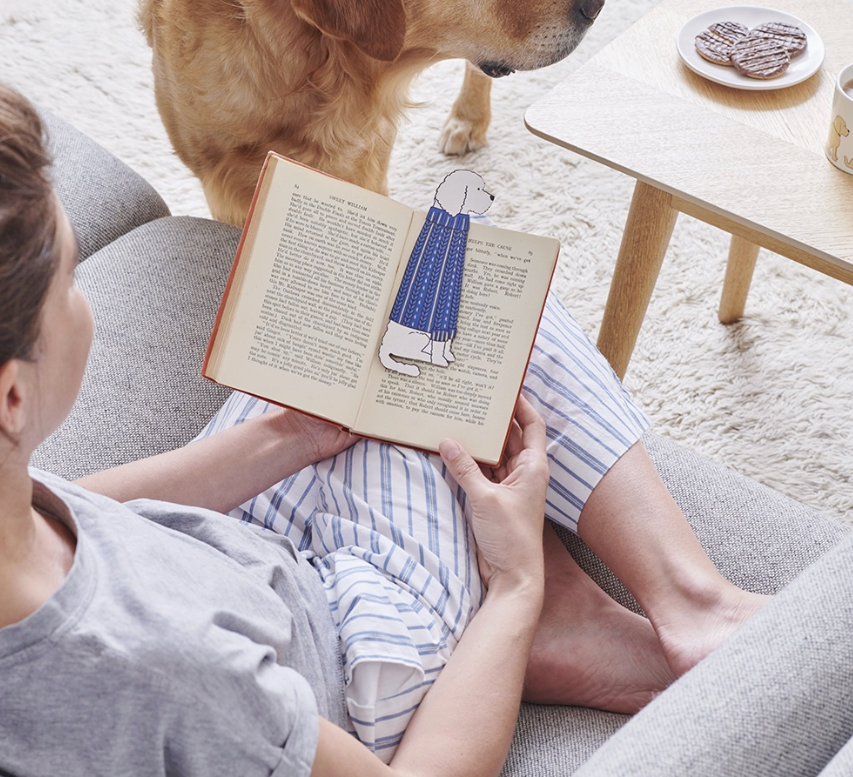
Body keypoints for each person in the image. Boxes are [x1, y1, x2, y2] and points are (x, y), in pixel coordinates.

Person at [0, 82, 764, 776]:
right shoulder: (176, 675)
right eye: (70, 280)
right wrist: (515, 583)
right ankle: (668, 608)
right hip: (358, 647)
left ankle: (568, 608)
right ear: (12, 398)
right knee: (482, 316)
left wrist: (286, 439)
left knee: (375, 346)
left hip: (236, 563)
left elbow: (79, 506)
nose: (82, 297)